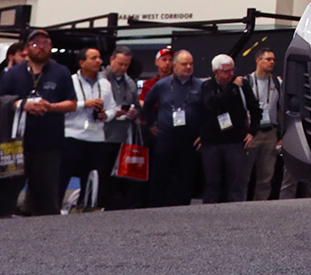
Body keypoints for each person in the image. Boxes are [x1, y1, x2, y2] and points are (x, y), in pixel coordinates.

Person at [0, 29, 75, 216]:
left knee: (46, 198)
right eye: (35, 44)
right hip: (15, 143)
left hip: (48, 143)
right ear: (27, 49)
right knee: (6, 194)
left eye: (45, 44)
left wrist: (51, 107)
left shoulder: (61, 72)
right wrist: (22, 105)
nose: (41, 47)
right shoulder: (13, 73)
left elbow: (72, 104)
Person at [142, 48, 204, 208]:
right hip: (165, 138)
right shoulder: (162, 85)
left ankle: (182, 207)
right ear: (175, 66)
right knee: (160, 176)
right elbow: (147, 104)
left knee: (186, 176)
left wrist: (203, 133)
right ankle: (155, 207)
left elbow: (208, 111)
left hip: (190, 140)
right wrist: (150, 124)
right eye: (184, 64)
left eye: (191, 64)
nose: (188, 67)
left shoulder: (201, 85)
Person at [62, 47, 119, 210]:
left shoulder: (104, 84)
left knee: (92, 178)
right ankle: (55, 208)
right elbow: (61, 107)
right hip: (72, 136)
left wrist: (106, 115)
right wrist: (83, 104)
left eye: (99, 58)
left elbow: (112, 108)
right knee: (63, 176)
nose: (98, 61)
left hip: (96, 137)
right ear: (82, 63)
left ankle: (86, 208)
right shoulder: (70, 81)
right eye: (93, 58)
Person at [199, 54, 255, 203]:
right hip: (212, 141)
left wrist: (252, 132)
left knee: (237, 180)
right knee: (212, 181)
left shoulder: (241, 85)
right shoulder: (207, 86)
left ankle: (237, 209)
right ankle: (210, 210)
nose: (231, 74)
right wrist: (231, 88)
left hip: (235, 140)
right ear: (216, 72)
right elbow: (213, 105)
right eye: (226, 71)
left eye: (232, 70)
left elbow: (255, 109)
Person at [101, 48, 142, 210]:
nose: (123, 68)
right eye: (120, 64)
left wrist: (133, 112)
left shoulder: (130, 82)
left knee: (120, 177)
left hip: (124, 136)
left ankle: (117, 206)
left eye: (126, 65)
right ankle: (100, 204)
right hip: (102, 135)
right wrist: (112, 112)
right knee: (103, 174)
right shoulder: (101, 80)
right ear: (111, 60)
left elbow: (138, 107)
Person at [246, 49, 284, 199]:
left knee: (266, 176)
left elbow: (282, 108)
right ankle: (240, 205)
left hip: (270, 133)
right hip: (252, 133)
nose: (272, 62)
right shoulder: (246, 81)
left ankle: (260, 206)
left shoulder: (277, 82)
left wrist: (281, 134)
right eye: (268, 59)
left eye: (273, 60)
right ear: (258, 60)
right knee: (244, 175)